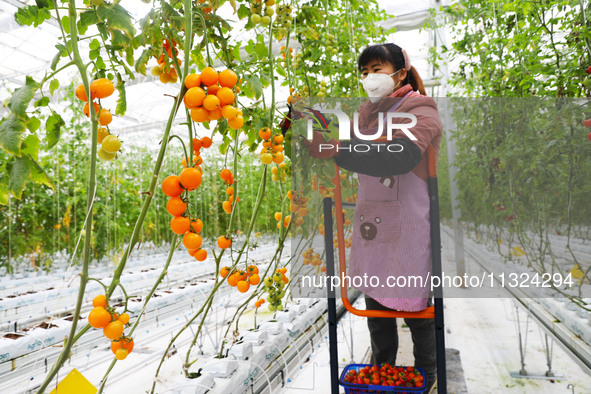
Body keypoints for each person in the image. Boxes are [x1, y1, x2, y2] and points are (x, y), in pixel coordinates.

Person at [303, 43, 442, 393]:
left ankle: (426, 376)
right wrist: (305, 125)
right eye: (364, 72)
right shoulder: (364, 116)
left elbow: (399, 155)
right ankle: (383, 375)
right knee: (377, 307)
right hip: (372, 225)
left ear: (401, 71)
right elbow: (333, 145)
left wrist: (340, 148)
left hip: (409, 225)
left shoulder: (421, 109)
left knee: (416, 310)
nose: (369, 78)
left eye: (377, 69)